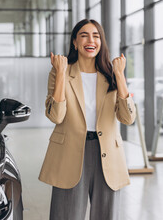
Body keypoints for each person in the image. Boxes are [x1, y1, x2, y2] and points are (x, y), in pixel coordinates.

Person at [38, 19, 136, 220]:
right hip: (70, 153)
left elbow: (127, 118)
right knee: (65, 215)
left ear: (102, 42)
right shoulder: (60, 72)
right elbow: (56, 116)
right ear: (75, 42)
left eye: (96, 35)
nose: (90, 40)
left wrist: (119, 75)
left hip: (107, 153)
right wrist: (61, 74)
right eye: (84, 35)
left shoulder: (110, 73)